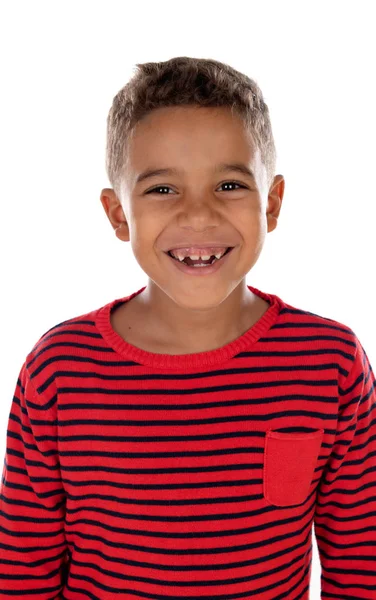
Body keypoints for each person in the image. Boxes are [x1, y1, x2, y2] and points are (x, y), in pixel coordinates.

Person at [0, 56, 375, 600]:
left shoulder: (330, 362)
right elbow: (22, 571)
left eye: (228, 185)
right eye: (161, 190)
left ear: (272, 203)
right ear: (117, 214)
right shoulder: (60, 369)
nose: (198, 216)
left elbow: (361, 563)